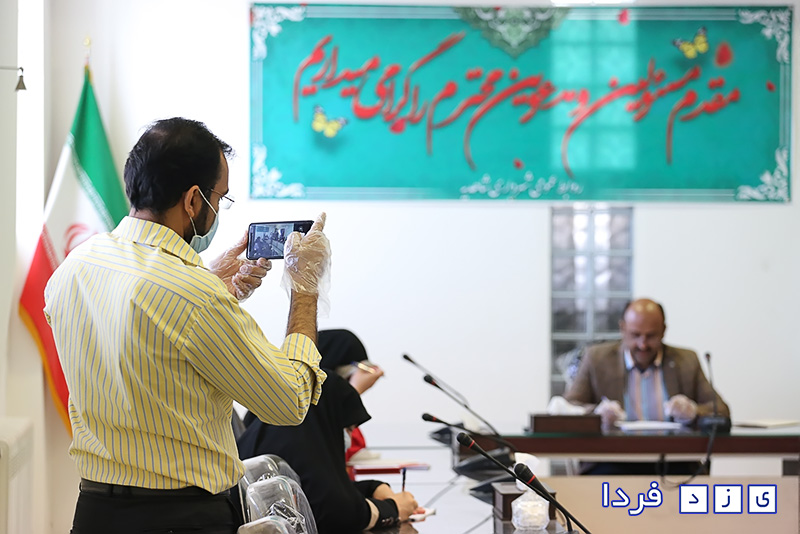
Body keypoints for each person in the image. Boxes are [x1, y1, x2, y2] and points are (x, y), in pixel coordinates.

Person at [43, 117, 330, 534]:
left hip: (95, 512)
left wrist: (210, 283)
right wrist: (305, 288)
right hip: (181, 517)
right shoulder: (195, 295)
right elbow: (288, 402)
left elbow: (137, 343)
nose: (218, 210)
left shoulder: (76, 265)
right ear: (194, 200)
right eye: (220, 198)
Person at [237, 372, 421, 533]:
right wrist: (393, 509)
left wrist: (372, 487)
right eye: (348, 429)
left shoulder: (272, 436)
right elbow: (336, 512)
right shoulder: (295, 447)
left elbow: (314, 489)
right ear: (326, 423)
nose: (349, 438)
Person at [564, 298, 730, 475]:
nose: (642, 344)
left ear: (663, 330)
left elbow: (721, 410)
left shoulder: (686, 361)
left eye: (651, 336)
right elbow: (567, 408)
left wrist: (693, 411)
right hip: (612, 458)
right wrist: (597, 414)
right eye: (635, 335)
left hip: (674, 460)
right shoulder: (597, 358)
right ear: (622, 328)